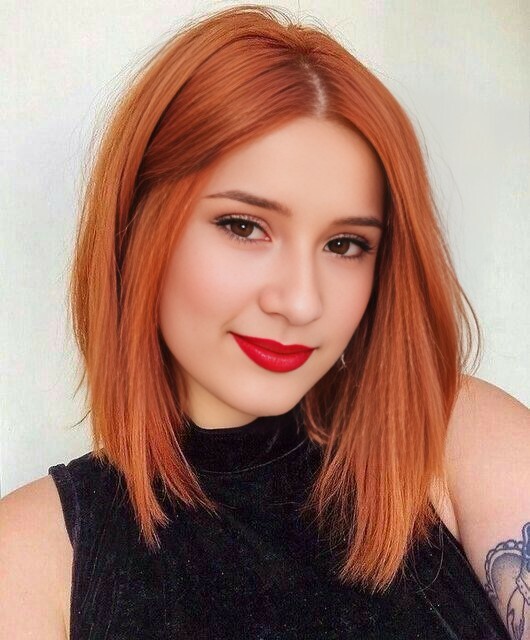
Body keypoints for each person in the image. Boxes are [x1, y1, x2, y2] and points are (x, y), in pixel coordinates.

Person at [0, 4, 528, 639]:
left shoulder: (452, 437)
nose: (301, 302)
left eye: (345, 244)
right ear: (138, 226)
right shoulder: (33, 556)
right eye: (244, 227)